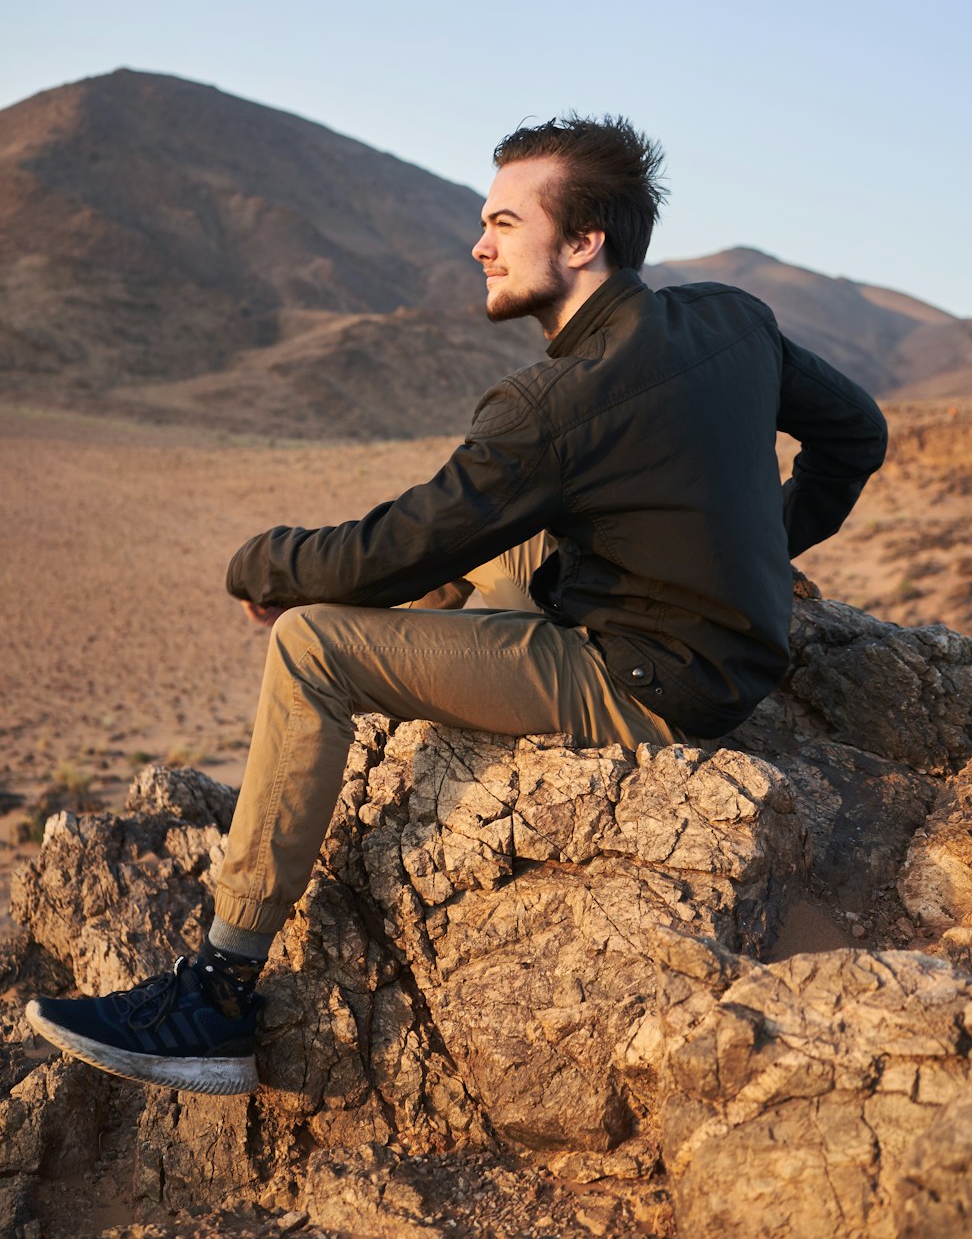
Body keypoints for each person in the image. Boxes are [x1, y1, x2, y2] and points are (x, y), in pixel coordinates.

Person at [26, 115, 889, 1095]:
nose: (479, 244)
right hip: (725, 650)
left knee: (313, 642)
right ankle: (434, 629)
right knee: (501, 538)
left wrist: (262, 565)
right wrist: (762, 558)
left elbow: (383, 554)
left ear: (580, 243)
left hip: (645, 682)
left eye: (503, 223)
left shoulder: (554, 407)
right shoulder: (730, 319)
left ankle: (216, 997)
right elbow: (855, 435)